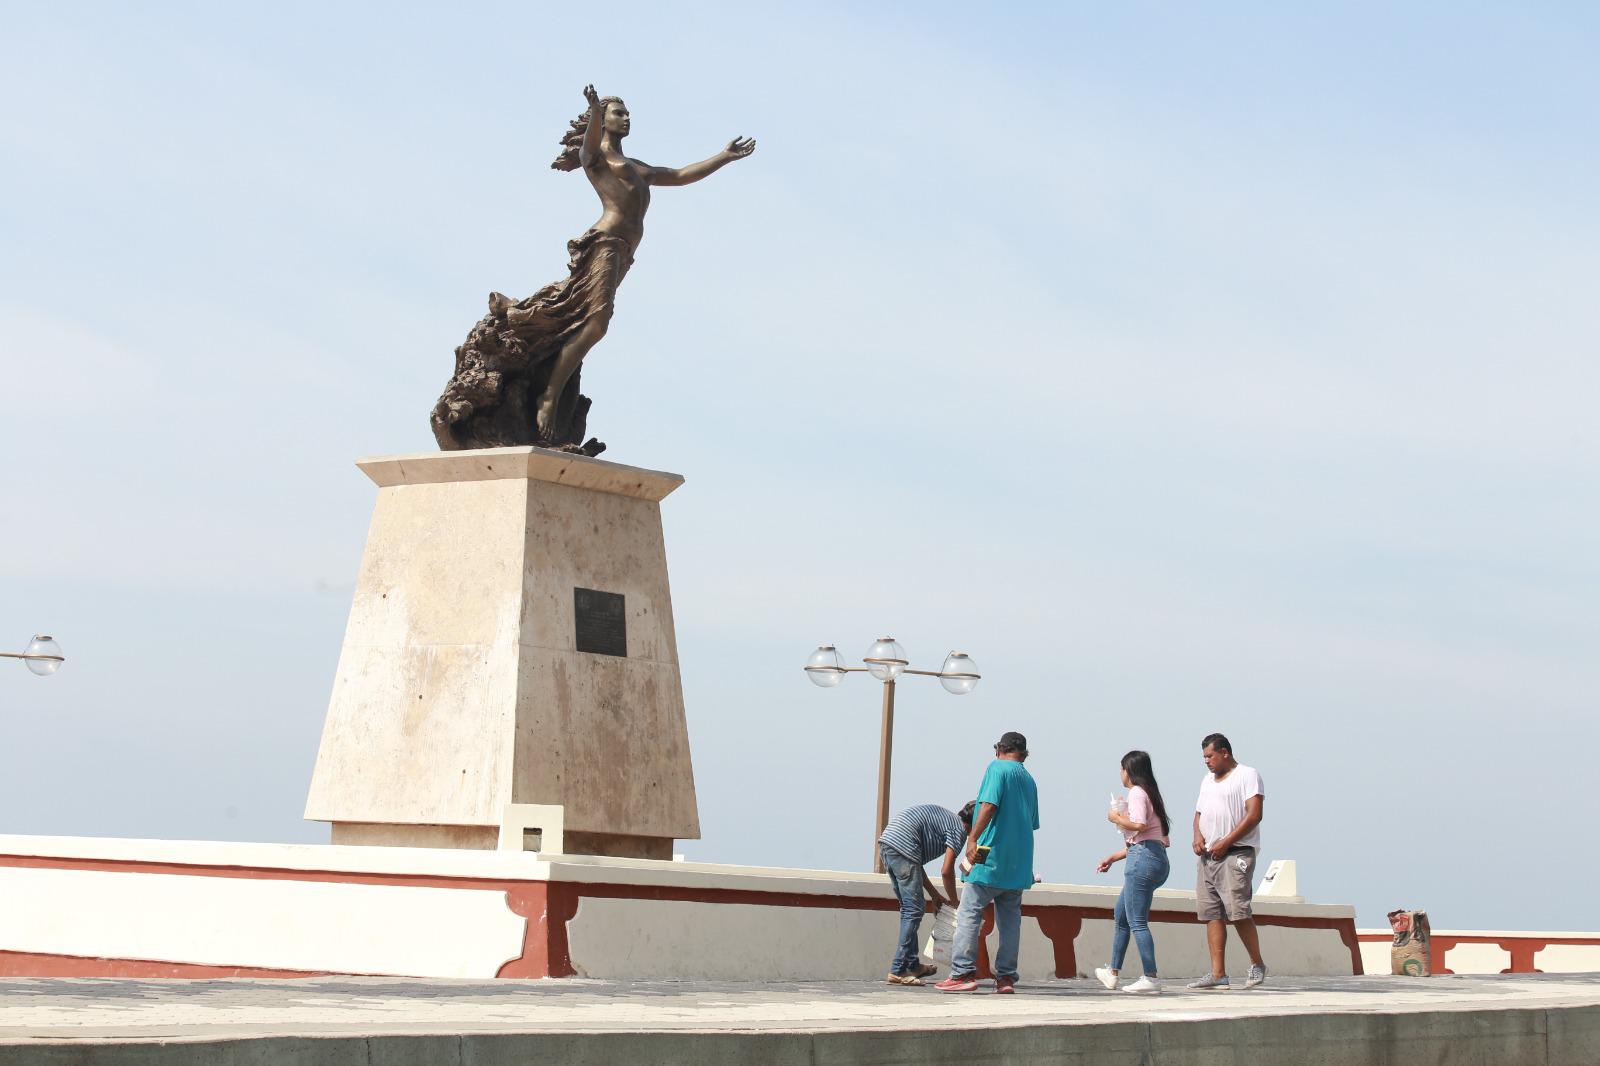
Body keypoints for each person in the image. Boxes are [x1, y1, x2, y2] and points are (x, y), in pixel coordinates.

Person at [936, 731, 1040, 994]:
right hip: (1019, 861)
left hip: (990, 853)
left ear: (1000, 749)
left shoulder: (997, 768)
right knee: (1010, 920)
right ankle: (1005, 978)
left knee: (969, 911)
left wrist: (972, 839)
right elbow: (1032, 823)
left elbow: (989, 806)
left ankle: (962, 973)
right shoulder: (1029, 780)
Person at [1187, 732, 1268, 989]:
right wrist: (1197, 835)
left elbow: (1254, 814)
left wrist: (1227, 841)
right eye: (1204, 757)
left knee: (1238, 912)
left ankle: (1257, 964)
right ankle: (1217, 973)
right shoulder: (1207, 781)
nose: (1207, 762)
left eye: (1210, 756)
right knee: (1212, 913)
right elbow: (1199, 813)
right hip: (1208, 856)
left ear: (1225, 752)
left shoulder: (1247, 775)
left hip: (1236, 853)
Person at [1093, 750, 1173, 994]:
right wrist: (1113, 857)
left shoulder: (1137, 792)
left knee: (1137, 921)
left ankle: (1151, 977)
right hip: (1154, 859)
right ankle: (1113, 971)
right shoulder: (1152, 795)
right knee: (1122, 915)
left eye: (1122, 769)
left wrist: (1115, 816)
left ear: (1129, 771)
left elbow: (1139, 826)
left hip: (1142, 861)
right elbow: (1155, 838)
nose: (1120, 773)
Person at [878, 802, 976, 985]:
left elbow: (915, 862)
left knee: (910, 909)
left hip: (889, 843)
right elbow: (946, 871)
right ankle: (898, 969)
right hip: (902, 845)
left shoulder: (949, 820)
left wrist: (935, 894)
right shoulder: (959, 831)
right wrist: (955, 903)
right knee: (913, 910)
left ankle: (913, 965)